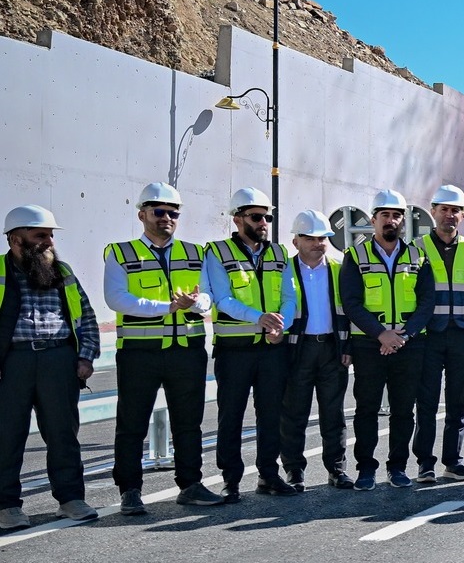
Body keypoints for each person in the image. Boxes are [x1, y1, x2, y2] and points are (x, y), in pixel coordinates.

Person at [104, 182, 215, 507]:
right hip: (140, 354)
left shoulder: (195, 252)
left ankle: (191, 484)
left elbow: (208, 297)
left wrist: (195, 303)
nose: (167, 217)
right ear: (142, 214)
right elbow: (116, 298)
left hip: (187, 351)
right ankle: (130, 491)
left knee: (189, 423)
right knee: (132, 424)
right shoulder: (120, 253)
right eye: (159, 211)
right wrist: (167, 307)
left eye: (173, 213)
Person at [0, 205, 100, 530]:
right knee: (7, 437)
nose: (49, 242)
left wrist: (85, 357)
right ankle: (6, 506)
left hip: (58, 361)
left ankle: (71, 499)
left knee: (63, 435)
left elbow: (86, 316)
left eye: (51, 235)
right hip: (12, 363)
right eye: (40, 235)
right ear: (16, 239)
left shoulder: (62, 272)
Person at [203, 187, 296, 501]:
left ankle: (269, 475)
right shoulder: (217, 252)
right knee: (231, 416)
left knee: (271, 415)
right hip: (235, 350)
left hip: (272, 348)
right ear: (238, 219)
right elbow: (222, 299)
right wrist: (260, 318)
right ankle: (231, 480)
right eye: (256, 217)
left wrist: (281, 324)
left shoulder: (279, 254)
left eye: (267, 217)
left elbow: (290, 297)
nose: (263, 223)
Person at [340, 189, 423, 489]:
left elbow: (426, 302)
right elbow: (351, 303)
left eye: (396, 215)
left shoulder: (418, 256)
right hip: (369, 345)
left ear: (403, 220)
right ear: (373, 220)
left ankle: (397, 467)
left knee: (403, 410)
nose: (391, 220)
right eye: (385, 215)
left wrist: (404, 335)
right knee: (367, 409)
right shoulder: (355, 256)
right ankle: (366, 468)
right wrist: (381, 334)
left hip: (407, 345)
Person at [409, 184, 464, 484]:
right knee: (426, 402)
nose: (449, 215)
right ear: (433, 212)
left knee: (457, 402)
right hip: (429, 336)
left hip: (462, 334)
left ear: (463, 215)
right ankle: (425, 463)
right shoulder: (416, 248)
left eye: (455, 210)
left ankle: (453, 462)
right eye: (444, 209)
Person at [279, 209, 351, 493]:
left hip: (333, 348)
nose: (317, 243)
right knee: (293, 414)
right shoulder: (283, 269)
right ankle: (294, 471)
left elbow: (350, 310)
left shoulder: (339, 268)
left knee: (333, 414)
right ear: (295, 241)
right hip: (298, 350)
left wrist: (347, 346)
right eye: (309, 238)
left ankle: (337, 469)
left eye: (322, 238)